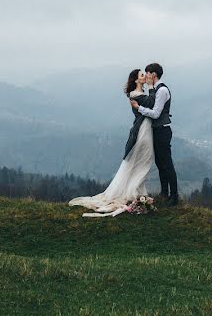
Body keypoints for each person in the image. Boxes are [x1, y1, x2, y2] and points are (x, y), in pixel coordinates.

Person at [68, 69, 156, 217]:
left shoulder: (137, 94)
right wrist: (152, 86)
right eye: (142, 75)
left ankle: (137, 192)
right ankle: (134, 193)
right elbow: (151, 103)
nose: (145, 77)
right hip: (142, 131)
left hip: (146, 128)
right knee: (144, 159)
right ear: (136, 80)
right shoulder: (135, 95)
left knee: (143, 160)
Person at [130, 62, 178, 205]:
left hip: (162, 130)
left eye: (148, 73)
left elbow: (156, 113)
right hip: (156, 131)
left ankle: (174, 196)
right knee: (160, 163)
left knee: (167, 163)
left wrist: (139, 108)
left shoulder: (162, 90)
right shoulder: (156, 89)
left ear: (154, 74)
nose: (146, 76)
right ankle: (164, 192)